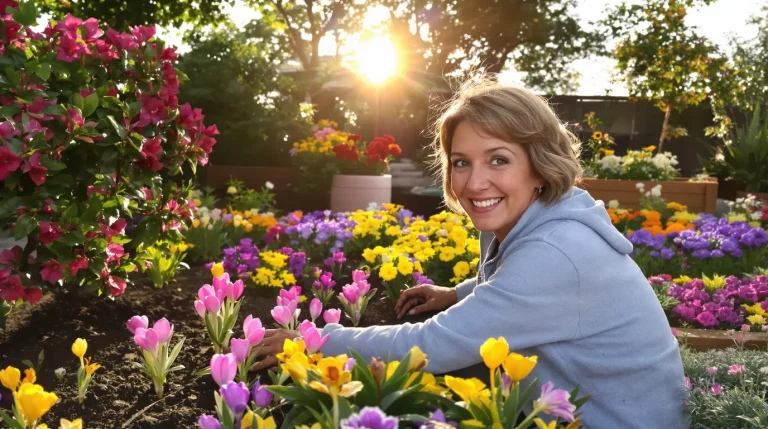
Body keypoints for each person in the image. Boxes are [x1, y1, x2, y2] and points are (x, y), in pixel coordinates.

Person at [255, 76, 688, 428]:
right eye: (461, 162)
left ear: (539, 166)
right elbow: (517, 288)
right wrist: (459, 293)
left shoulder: (559, 251)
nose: (475, 183)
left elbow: (432, 345)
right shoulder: (535, 218)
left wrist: (313, 341)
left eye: (498, 160)